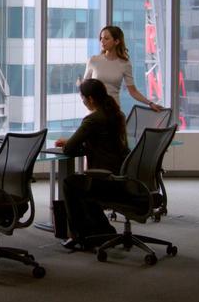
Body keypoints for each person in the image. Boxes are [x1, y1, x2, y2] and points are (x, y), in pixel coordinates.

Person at [55, 78, 131, 251]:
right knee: (83, 185)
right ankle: (103, 230)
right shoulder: (116, 114)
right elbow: (103, 141)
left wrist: (70, 142)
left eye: (83, 99)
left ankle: (79, 236)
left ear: (90, 99)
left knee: (70, 183)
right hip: (122, 176)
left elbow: (69, 149)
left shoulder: (93, 119)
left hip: (105, 179)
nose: (83, 102)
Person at [84, 25, 162, 112]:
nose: (102, 41)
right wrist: (89, 106)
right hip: (95, 112)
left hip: (113, 112)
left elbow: (133, 91)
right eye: (101, 38)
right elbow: (84, 88)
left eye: (106, 38)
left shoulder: (125, 64)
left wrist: (150, 103)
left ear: (116, 41)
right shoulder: (93, 61)